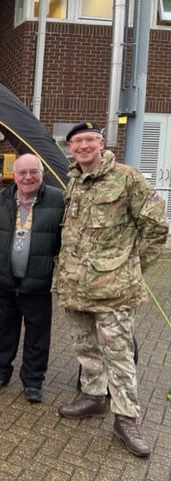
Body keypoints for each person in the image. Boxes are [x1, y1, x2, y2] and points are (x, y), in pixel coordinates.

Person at [53, 121, 169, 457]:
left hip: (115, 289)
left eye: (90, 139)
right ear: (70, 148)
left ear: (101, 143)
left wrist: (132, 269)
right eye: (77, 141)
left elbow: (156, 228)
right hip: (76, 285)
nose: (83, 146)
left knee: (119, 357)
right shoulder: (74, 180)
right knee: (86, 349)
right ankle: (93, 398)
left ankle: (126, 419)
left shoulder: (127, 177)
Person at [0, 154, 64, 403]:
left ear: (42, 173)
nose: (28, 177)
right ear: (14, 175)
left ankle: (32, 382)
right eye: (22, 172)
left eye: (33, 172)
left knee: (37, 335)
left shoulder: (59, 199)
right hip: (6, 280)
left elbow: (66, 241)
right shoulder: (1, 199)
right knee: (2, 331)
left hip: (38, 281)